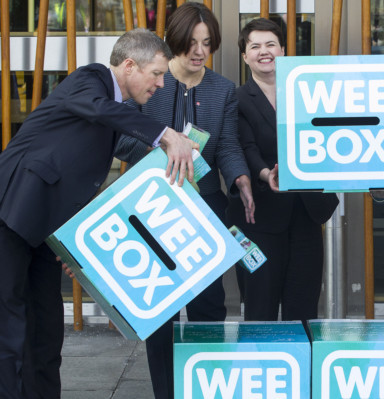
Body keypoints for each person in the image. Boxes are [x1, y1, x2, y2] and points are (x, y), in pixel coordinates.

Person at [0, 28, 196, 399]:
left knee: (45, 333)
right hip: (10, 216)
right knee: (9, 333)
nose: (160, 84)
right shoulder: (90, 80)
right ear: (128, 66)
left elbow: (114, 153)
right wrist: (166, 135)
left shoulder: (115, 111)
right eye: (156, 74)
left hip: (43, 231)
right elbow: (102, 111)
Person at [113, 5, 254, 399]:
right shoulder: (149, 81)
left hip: (204, 208)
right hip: (153, 205)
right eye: (191, 42)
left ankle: (205, 389)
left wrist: (240, 176)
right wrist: (165, 145)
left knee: (209, 305)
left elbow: (226, 145)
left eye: (207, 43)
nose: (199, 51)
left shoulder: (222, 88)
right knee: (162, 311)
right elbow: (121, 139)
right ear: (174, 41)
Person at [227, 18, 339, 322]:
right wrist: (266, 174)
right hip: (258, 217)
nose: (264, 52)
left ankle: (302, 369)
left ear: (283, 50)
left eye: (271, 44)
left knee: (303, 307)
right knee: (259, 306)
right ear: (245, 56)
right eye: (255, 46)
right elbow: (244, 147)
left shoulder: (309, 93)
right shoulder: (235, 99)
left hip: (306, 210)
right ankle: (259, 367)